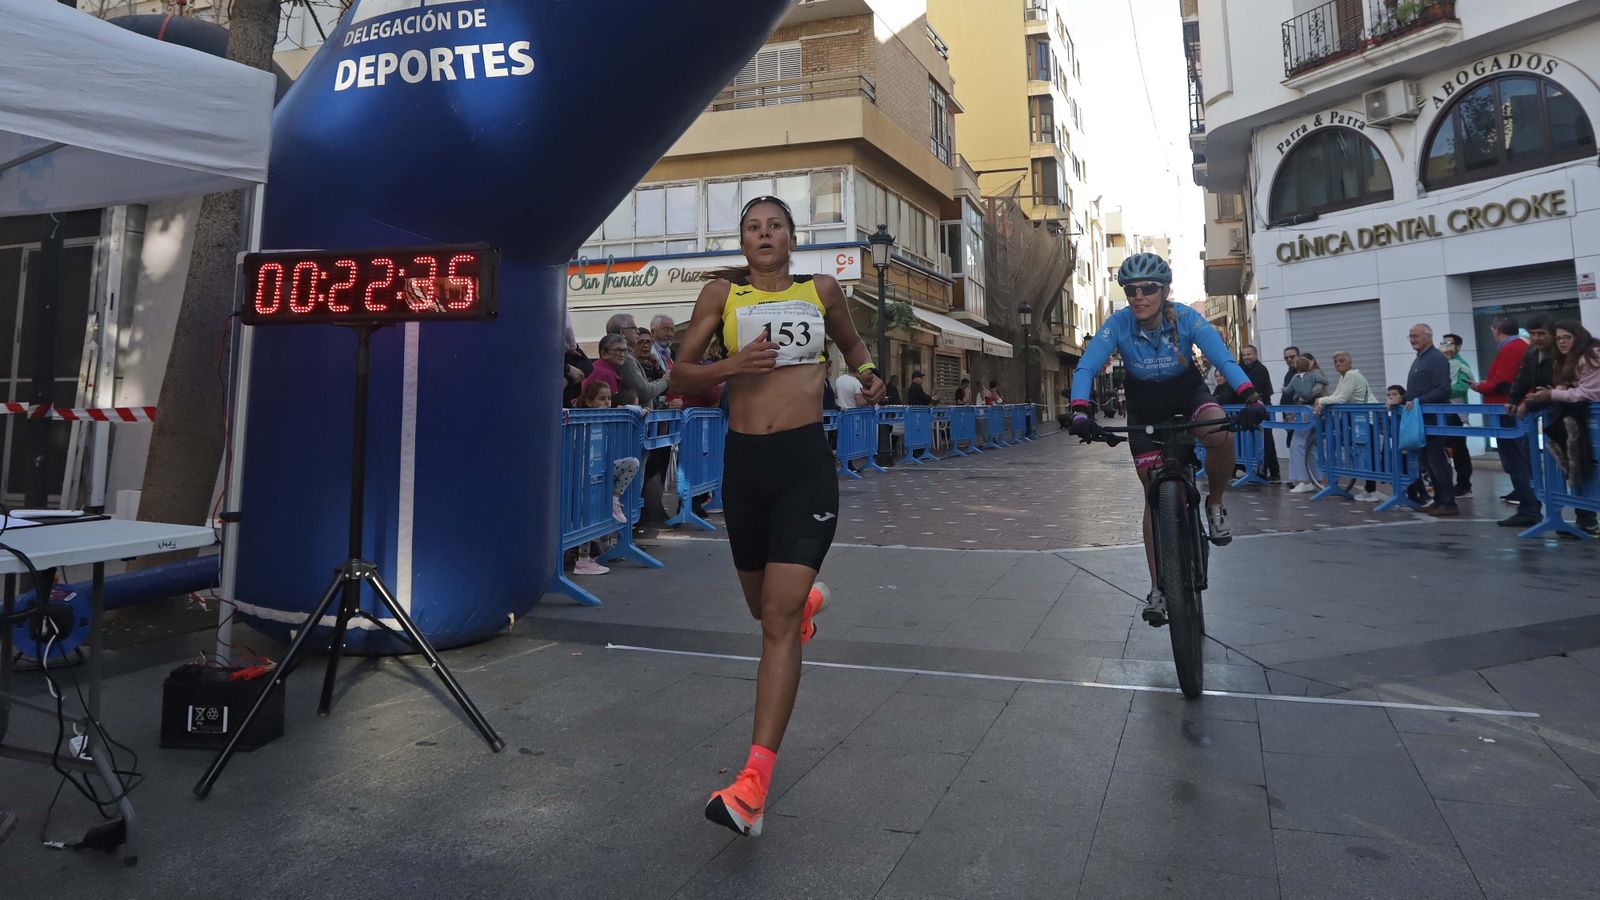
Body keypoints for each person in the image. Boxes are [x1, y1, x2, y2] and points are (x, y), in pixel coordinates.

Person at [668, 195, 885, 838]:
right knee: (764, 609)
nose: (764, 235)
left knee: (778, 620)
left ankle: (752, 787)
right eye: (752, 228)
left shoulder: (821, 289)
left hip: (801, 464)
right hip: (745, 466)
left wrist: (869, 374)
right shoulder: (719, 295)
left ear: (793, 238)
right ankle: (805, 604)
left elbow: (852, 347)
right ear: (743, 242)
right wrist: (731, 366)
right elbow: (678, 374)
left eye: (775, 227)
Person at [1068, 252, 1267, 626]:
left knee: (1218, 427)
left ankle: (1215, 504)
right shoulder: (1119, 324)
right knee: (1152, 496)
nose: (1138, 296)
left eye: (1147, 289)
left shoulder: (1186, 318)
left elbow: (1223, 359)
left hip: (1187, 394)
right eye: (1131, 290)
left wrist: (1250, 396)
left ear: (1164, 290)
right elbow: (1087, 364)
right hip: (1146, 408)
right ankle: (1159, 588)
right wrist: (1080, 409)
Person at [1522, 320, 1600, 536]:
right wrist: (1550, 393)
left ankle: (1588, 519)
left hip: (1590, 421)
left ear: (1578, 336)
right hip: (1576, 423)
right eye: (1558, 339)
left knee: (1586, 469)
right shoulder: (1565, 359)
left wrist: (1551, 394)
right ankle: (1585, 518)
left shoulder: (1591, 355)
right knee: (1578, 469)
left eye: (1567, 337)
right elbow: (1568, 388)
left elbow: (1588, 393)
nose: (1562, 342)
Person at [570, 381, 642, 574]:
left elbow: (628, 409)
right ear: (589, 401)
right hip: (583, 475)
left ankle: (614, 499)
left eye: (609, 398)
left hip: (601, 470)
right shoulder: (582, 418)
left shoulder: (609, 416)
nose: (607, 402)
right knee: (586, 515)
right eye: (602, 399)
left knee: (632, 463)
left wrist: (640, 411)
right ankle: (583, 560)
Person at [1474, 317, 1539, 526]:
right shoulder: (1520, 347)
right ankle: (1528, 503)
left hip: (1507, 410)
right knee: (1518, 458)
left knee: (1514, 459)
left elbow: (1502, 383)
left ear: (1496, 330)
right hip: (1511, 408)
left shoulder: (1512, 348)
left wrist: (1479, 387)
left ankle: (1528, 507)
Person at [1405, 323, 1458, 516]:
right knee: (1429, 460)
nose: (1412, 340)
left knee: (1437, 460)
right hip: (1423, 418)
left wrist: (1420, 401)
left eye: (1416, 336)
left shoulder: (1436, 358)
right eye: (1410, 336)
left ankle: (1448, 502)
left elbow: (1444, 389)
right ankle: (1439, 499)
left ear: (1428, 336)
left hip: (1434, 417)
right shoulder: (1421, 358)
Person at [1314, 351, 1382, 501]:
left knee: (1367, 454)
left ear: (1349, 363)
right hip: (1358, 420)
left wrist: (1321, 401)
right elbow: (1335, 395)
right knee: (1364, 453)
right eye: (1335, 361)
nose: (1338, 364)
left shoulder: (1352, 375)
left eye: (1341, 361)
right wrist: (1323, 401)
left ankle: (1371, 491)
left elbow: (1342, 398)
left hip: (1366, 419)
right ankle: (1369, 490)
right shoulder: (1344, 376)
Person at [1284, 355, 1327, 493]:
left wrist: (1301, 397)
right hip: (1314, 412)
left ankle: (1304, 480)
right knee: (1311, 447)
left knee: (1297, 444)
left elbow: (1314, 391)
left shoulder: (1311, 375)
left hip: (1308, 411)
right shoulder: (1312, 375)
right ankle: (1317, 480)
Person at [605, 313, 669, 406]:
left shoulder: (623, 357)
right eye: (634, 328)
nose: (638, 331)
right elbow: (644, 392)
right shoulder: (625, 359)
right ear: (622, 332)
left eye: (649, 342)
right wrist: (665, 380)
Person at [1239, 344, 1281, 482]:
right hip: (1255, 410)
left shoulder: (1260, 370)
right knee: (1263, 442)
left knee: (1266, 442)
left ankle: (1268, 471)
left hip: (1262, 410)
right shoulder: (1245, 369)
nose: (1246, 357)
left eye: (1249, 354)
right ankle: (1268, 471)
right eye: (1244, 354)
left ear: (1256, 355)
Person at [1440, 333, 1474, 497]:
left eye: (1449, 343)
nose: (1446, 346)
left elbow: (1462, 386)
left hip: (1457, 411)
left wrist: (1441, 392)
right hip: (1443, 410)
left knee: (1459, 448)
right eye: (1443, 342)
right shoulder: (1442, 363)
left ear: (1458, 347)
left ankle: (1464, 484)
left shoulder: (1461, 364)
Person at [580, 333, 628, 399]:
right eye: (617, 350)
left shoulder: (597, 366)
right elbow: (610, 405)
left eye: (624, 350)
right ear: (604, 353)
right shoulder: (605, 373)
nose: (622, 354)